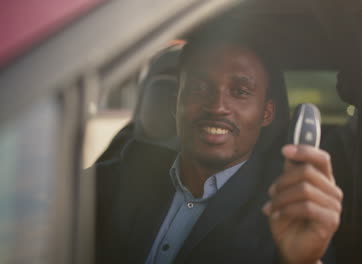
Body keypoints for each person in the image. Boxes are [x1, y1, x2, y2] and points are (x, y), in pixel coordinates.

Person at [94, 37, 343, 264]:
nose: (217, 106)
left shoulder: (289, 203)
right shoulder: (130, 170)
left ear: (266, 113)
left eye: (240, 92)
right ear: (175, 102)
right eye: (199, 88)